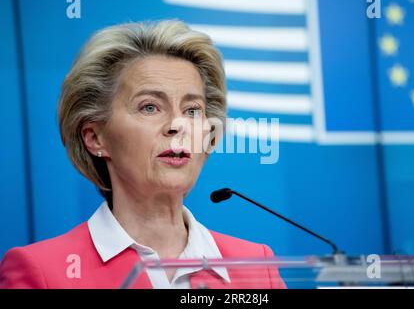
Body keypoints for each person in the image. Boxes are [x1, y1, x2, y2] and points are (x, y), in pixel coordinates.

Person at [0, 20, 286, 289]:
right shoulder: (43, 271)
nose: (178, 126)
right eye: (149, 107)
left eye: (192, 111)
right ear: (95, 138)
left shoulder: (257, 266)